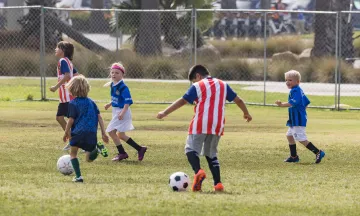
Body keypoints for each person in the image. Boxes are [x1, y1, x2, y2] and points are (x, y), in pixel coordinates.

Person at [157, 65, 252, 192]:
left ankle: (198, 171)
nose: (194, 83)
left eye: (194, 80)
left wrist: (165, 112)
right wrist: (246, 113)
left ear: (198, 76)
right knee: (211, 153)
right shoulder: (223, 84)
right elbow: (238, 100)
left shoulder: (198, 85)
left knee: (190, 149)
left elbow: (183, 101)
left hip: (201, 122)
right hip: (217, 124)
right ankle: (218, 184)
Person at [63, 75, 109, 183]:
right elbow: (99, 117)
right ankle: (97, 148)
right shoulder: (92, 102)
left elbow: (71, 120)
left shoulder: (73, 103)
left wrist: (66, 132)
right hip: (91, 133)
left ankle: (79, 177)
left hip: (78, 133)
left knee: (73, 154)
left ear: (72, 88)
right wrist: (103, 133)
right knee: (89, 159)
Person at [275, 70, 325, 164]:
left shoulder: (296, 91)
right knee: (289, 135)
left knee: (301, 139)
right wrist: (302, 110)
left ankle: (318, 152)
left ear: (297, 82)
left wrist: (281, 104)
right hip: (295, 119)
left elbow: (293, 103)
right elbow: (306, 102)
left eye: (290, 80)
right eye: (286, 80)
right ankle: (294, 157)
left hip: (298, 120)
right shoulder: (297, 90)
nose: (287, 82)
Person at [104, 62, 147, 161]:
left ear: (122, 75)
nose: (114, 74)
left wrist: (122, 112)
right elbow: (117, 98)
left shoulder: (123, 87)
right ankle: (140, 149)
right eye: (112, 72)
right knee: (121, 135)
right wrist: (109, 104)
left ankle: (122, 153)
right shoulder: (113, 85)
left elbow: (127, 101)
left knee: (111, 131)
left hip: (122, 112)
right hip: (117, 111)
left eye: (117, 73)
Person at [50, 41, 78, 151]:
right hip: (66, 97)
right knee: (60, 118)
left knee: (69, 119)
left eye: (58, 47)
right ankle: (73, 140)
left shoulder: (62, 61)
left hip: (67, 97)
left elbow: (67, 76)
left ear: (63, 50)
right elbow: (76, 75)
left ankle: (82, 142)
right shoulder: (69, 62)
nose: (55, 49)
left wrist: (55, 87)